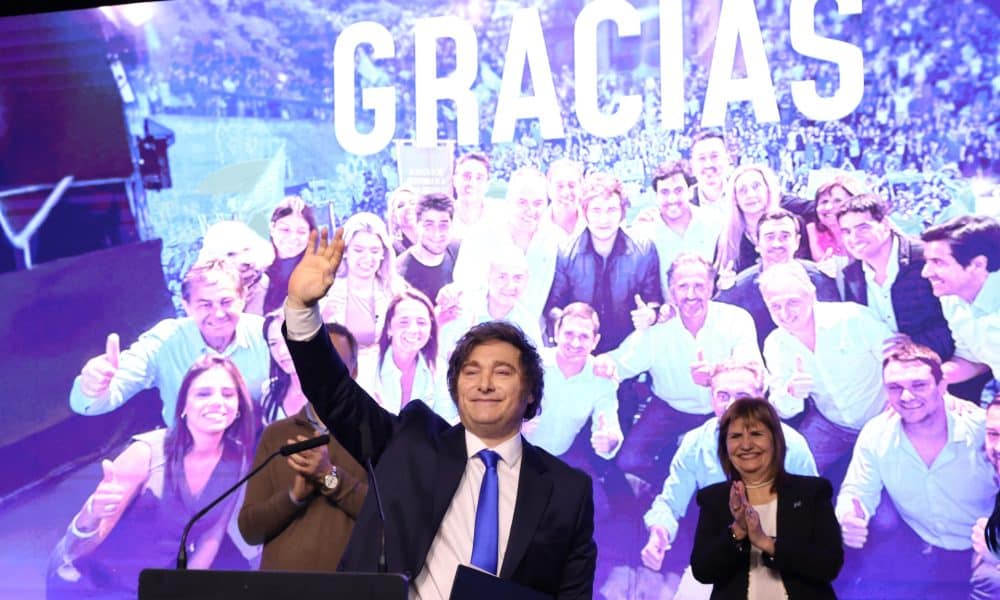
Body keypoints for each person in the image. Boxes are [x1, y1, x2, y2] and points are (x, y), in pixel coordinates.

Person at [282, 228, 596, 599]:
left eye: (503, 372)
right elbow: (334, 392)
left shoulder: (566, 492)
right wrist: (302, 311)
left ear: (530, 393)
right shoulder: (412, 441)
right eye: (471, 371)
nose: (484, 384)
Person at [49, 356, 257, 599]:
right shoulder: (146, 453)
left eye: (228, 394)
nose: (217, 402)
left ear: (239, 405)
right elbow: (76, 549)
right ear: (183, 407)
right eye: (203, 394)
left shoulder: (237, 456)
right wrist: (92, 514)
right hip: (93, 583)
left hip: (153, 582)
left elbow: (213, 534)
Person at [836, 343, 995, 596]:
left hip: (984, 550)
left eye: (919, 385)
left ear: (942, 386)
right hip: (921, 544)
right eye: (895, 388)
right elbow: (857, 489)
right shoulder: (876, 434)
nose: (907, 397)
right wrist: (849, 517)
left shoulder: (982, 430)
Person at [595, 254, 761, 489]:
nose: (691, 294)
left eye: (699, 286)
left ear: (711, 287)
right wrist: (602, 362)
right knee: (629, 460)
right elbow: (618, 363)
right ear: (671, 291)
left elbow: (751, 367)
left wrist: (716, 374)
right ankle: (676, 485)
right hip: (669, 409)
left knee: (739, 465)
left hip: (725, 410)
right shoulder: (657, 330)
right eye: (683, 287)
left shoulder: (736, 319)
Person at [640, 360, 818, 575]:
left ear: (761, 399)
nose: (732, 405)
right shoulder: (695, 443)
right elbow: (670, 503)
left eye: (742, 396)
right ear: (712, 399)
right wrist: (660, 532)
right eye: (723, 396)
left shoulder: (792, 446)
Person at [70, 259, 270, 426]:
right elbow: (92, 404)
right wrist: (91, 388)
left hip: (259, 447)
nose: (218, 314)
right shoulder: (164, 340)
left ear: (243, 298)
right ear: (186, 306)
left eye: (226, 302)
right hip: (189, 453)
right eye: (205, 304)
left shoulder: (266, 336)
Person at [238, 323, 369, 572]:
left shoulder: (377, 432)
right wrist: (293, 497)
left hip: (352, 589)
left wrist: (330, 478)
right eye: (315, 362)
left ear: (354, 371)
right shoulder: (276, 435)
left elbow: (391, 520)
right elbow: (250, 530)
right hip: (281, 591)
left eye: (335, 362)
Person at [689, 398, 842, 599]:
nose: (746, 445)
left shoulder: (811, 492)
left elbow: (828, 565)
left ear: (775, 440)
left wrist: (766, 542)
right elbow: (703, 571)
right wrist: (738, 530)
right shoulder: (714, 498)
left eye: (756, 434)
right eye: (735, 436)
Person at [761, 261, 892, 476]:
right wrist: (792, 393)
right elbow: (784, 409)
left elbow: (898, 361)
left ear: (812, 294)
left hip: (882, 419)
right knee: (786, 470)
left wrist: (896, 409)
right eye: (775, 306)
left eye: (792, 302)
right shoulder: (775, 344)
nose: (784, 313)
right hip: (831, 425)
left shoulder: (852, 318)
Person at [545, 171, 662, 353]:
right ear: (585, 212)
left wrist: (650, 315)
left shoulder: (644, 250)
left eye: (612, 210)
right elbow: (553, 305)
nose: (604, 220)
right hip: (580, 352)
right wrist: (566, 326)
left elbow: (654, 299)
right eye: (596, 210)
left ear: (623, 212)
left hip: (629, 351)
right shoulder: (565, 252)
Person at [838, 193, 954, 361]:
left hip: (950, 368)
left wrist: (915, 345)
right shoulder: (850, 275)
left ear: (885, 224)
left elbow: (958, 321)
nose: (853, 238)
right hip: (889, 374)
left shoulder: (927, 258)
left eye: (863, 228)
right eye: (846, 231)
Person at [716, 210, 840, 350]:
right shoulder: (739, 288)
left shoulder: (819, 279)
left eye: (785, 236)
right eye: (769, 237)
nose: (777, 244)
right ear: (757, 243)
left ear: (797, 241)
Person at [451, 166, 559, 323]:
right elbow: (465, 287)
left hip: (527, 336)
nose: (530, 210)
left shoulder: (550, 240)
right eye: (522, 202)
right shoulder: (480, 235)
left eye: (538, 203)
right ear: (508, 201)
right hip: (484, 332)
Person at [318, 212, 406, 393]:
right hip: (337, 386)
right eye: (358, 250)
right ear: (345, 252)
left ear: (383, 253)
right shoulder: (325, 291)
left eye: (374, 251)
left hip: (384, 386)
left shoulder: (395, 292)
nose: (367, 258)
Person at [921, 214, 1000, 387]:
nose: (926, 272)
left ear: (978, 264)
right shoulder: (951, 300)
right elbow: (972, 360)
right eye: (927, 261)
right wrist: (928, 379)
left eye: (938, 262)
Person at [631, 159, 721, 299]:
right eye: (665, 192)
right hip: (666, 317)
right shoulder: (645, 234)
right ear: (656, 196)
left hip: (710, 313)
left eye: (678, 190)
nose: (672, 199)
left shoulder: (714, 223)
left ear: (690, 191)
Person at [375, 289, 454, 420]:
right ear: (389, 327)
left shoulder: (440, 369)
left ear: (430, 329)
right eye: (404, 322)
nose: (413, 330)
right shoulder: (368, 366)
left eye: (421, 322)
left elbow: (445, 423)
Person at [197, 220, 275, 315]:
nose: (245, 260)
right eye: (231, 254)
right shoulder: (210, 293)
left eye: (246, 250)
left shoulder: (271, 287)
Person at [395, 193, 461, 305]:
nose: (436, 234)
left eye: (443, 225)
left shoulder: (460, 252)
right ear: (416, 225)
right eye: (428, 225)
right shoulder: (401, 273)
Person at [262, 196, 317, 314]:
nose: (293, 238)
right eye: (285, 230)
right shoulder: (257, 268)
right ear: (272, 228)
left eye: (301, 232)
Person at [805, 174, 862, 262]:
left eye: (838, 201)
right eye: (824, 201)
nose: (828, 207)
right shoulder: (811, 231)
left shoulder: (866, 232)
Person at [687, 130, 733, 218]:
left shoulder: (742, 194)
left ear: (728, 159)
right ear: (692, 165)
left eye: (714, 156)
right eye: (702, 158)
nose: (708, 164)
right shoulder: (685, 203)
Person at [450, 152, 491, 240]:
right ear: (454, 180)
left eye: (479, 178)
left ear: (487, 184)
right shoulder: (444, 217)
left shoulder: (499, 219)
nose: (472, 183)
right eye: (466, 176)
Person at [545, 158, 584, 240]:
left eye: (571, 185)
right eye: (559, 186)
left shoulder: (593, 224)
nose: (566, 193)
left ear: (581, 188)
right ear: (549, 189)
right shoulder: (536, 227)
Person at [386, 185, 420, 256]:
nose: (408, 207)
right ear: (394, 217)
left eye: (412, 203)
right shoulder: (391, 250)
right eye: (401, 205)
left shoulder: (434, 241)